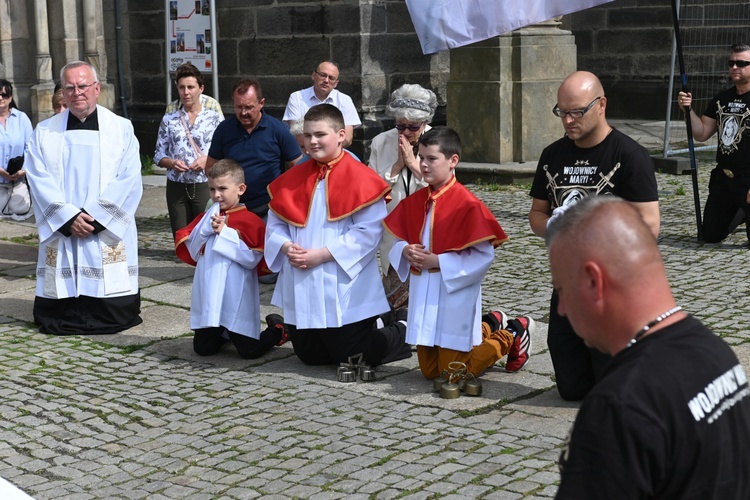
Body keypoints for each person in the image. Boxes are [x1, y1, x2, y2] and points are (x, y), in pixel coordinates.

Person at [547, 195, 750, 499]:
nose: (561, 309)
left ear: (593, 280)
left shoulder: (621, 406)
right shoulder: (715, 352)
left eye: (561, 289)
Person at [528, 71, 660, 401]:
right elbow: (536, 215)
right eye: (562, 112)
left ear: (601, 105)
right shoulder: (553, 155)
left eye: (576, 112)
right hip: (568, 285)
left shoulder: (629, 156)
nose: (568, 120)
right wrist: (556, 228)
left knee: (613, 390)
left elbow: (650, 225)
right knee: (571, 390)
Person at [264, 104, 410, 366]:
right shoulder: (292, 178)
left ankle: (402, 326)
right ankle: (379, 319)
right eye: (308, 136)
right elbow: (275, 223)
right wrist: (286, 247)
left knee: (354, 356)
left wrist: (321, 255)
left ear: (341, 135)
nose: (312, 141)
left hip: (342, 280)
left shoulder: (362, 179)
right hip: (303, 280)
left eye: (320, 134)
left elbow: (368, 232)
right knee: (310, 356)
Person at [384, 126, 534, 380]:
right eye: (421, 158)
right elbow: (398, 241)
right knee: (430, 372)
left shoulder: (468, 205)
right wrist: (405, 250)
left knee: (454, 373)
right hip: (424, 296)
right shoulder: (416, 201)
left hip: (453, 296)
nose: (423, 165)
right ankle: (489, 324)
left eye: (432, 158)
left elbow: (483, 257)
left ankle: (511, 334)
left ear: (453, 160)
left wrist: (439, 261)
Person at [25, 60, 143, 335]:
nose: (77, 92)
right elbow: (38, 178)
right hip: (66, 225)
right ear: (63, 92)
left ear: (97, 88)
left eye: (83, 86)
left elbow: (129, 178)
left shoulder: (121, 128)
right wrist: (67, 219)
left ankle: (107, 312)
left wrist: (95, 218)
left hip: (101, 225)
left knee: (107, 282)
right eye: (70, 87)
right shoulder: (45, 132)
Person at [175, 159, 288, 358]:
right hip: (210, 294)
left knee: (249, 352)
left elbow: (252, 260)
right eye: (211, 189)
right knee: (203, 350)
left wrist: (225, 233)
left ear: (240, 189)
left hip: (235, 296)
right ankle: (224, 332)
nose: (216, 195)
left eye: (222, 188)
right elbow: (193, 252)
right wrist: (205, 231)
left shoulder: (250, 221)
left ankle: (279, 329)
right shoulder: (205, 219)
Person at [678, 43, 750, 244]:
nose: (735, 67)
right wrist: (687, 110)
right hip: (725, 178)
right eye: (732, 63)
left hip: (748, 177)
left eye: (742, 63)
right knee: (710, 236)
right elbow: (701, 133)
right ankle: (741, 211)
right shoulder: (722, 99)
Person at [207, 78, 301, 219]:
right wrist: (221, 192)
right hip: (232, 209)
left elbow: (297, 168)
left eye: (249, 107)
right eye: (239, 107)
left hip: (269, 208)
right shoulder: (223, 130)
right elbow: (210, 167)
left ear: (261, 103)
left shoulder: (279, 130)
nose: (243, 112)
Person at [369, 83, 436, 276]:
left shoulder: (440, 141)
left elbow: (446, 187)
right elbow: (371, 190)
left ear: (425, 122)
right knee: (393, 278)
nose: (406, 132)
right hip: (392, 225)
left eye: (413, 127)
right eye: (400, 126)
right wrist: (397, 166)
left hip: (428, 224)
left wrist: (414, 166)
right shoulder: (380, 142)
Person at [154, 63, 223, 236]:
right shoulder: (169, 119)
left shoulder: (214, 118)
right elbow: (158, 155)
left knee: (204, 233)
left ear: (201, 89)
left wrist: (208, 160)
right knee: (181, 236)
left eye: (191, 87)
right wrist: (171, 162)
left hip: (204, 183)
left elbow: (226, 151)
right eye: (182, 87)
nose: (186, 92)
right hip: (176, 184)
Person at [282, 61, 361, 148]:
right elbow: (297, 134)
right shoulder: (297, 97)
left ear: (336, 83)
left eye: (331, 78)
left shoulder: (345, 100)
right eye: (323, 75)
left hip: (335, 153)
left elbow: (347, 138)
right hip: (306, 152)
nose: (326, 80)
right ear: (313, 75)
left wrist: (326, 152)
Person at [0, 79, 33, 221]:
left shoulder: (22, 118)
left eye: (4, 95)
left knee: (21, 212)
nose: (0, 98)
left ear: (11, 98)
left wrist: (23, 169)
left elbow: (31, 148)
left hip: (17, 182)